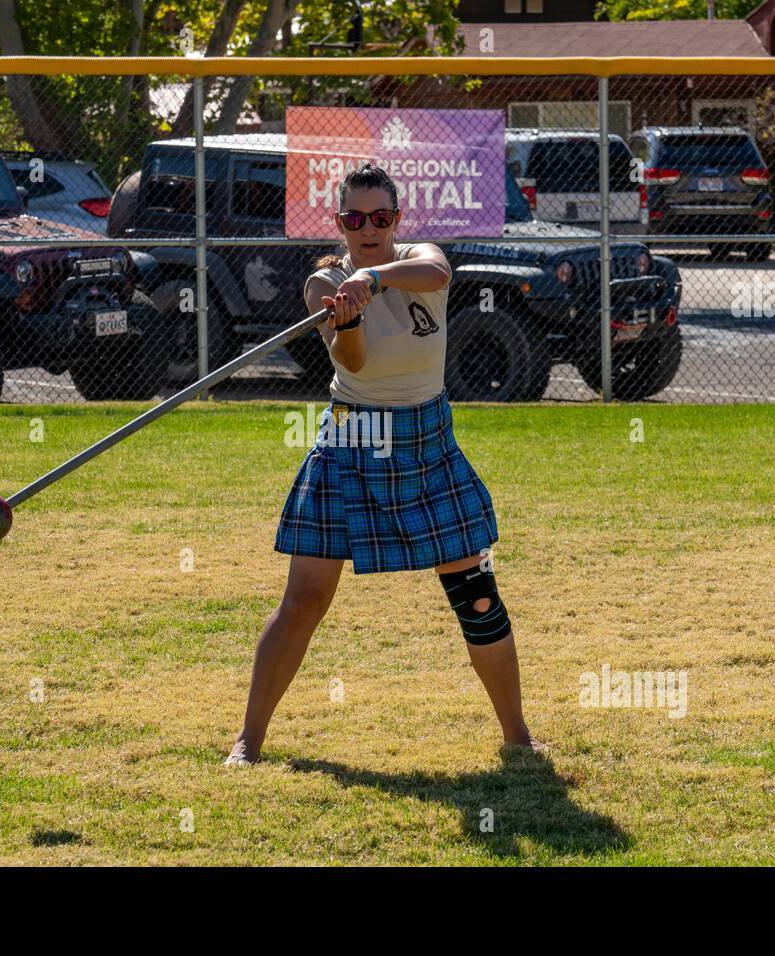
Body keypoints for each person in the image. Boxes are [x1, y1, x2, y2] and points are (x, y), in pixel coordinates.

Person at [224, 162, 541, 766]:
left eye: (380, 217)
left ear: (397, 220)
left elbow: (436, 270)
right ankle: (249, 740)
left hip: (426, 440)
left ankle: (518, 738)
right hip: (352, 437)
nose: (367, 227)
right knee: (304, 600)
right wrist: (347, 318)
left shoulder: (420, 259)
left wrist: (374, 276)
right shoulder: (323, 287)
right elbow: (357, 362)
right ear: (338, 223)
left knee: (475, 593)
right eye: (353, 218)